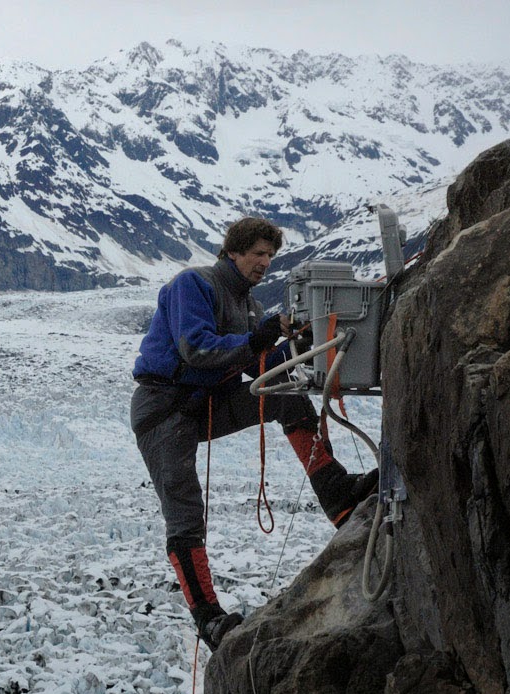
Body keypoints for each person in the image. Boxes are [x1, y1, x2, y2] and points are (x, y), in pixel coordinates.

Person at [130, 217, 378, 650]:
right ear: (234, 251)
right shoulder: (194, 284)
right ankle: (208, 617)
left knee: (284, 395)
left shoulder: (248, 306)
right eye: (258, 253)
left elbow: (256, 366)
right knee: (184, 509)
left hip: (205, 402)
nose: (265, 262)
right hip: (163, 408)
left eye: (271, 256)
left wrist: (301, 345)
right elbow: (196, 347)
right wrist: (258, 340)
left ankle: (337, 495)